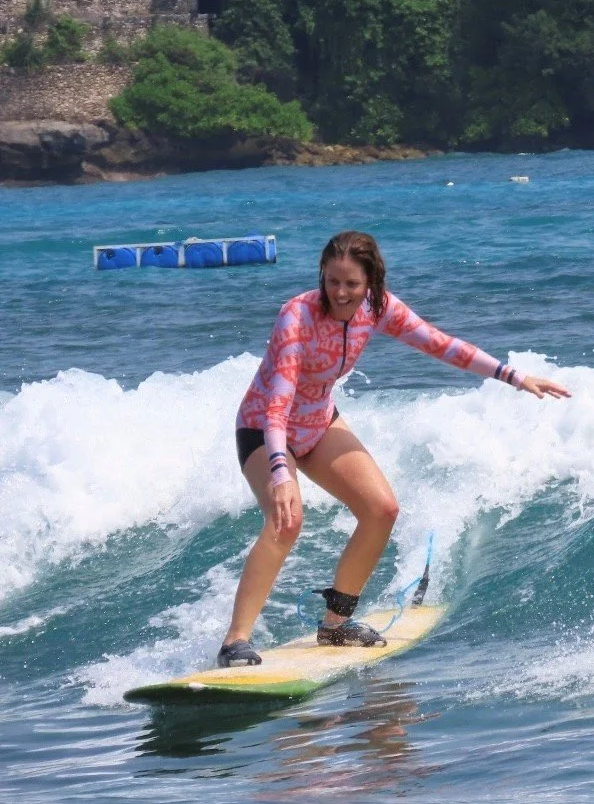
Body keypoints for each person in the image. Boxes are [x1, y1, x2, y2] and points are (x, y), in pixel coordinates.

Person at [219, 230, 571, 668]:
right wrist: (279, 473)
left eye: (351, 284)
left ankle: (335, 625)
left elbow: (440, 344)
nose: (341, 293)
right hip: (264, 427)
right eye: (332, 281)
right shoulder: (297, 316)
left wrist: (514, 377)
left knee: (381, 509)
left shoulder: (378, 308)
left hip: (317, 423)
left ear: (371, 282)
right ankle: (236, 642)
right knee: (286, 520)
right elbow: (277, 403)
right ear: (322, 276)